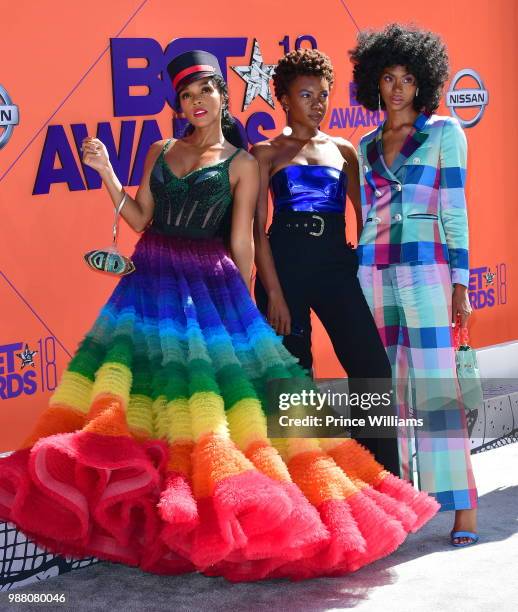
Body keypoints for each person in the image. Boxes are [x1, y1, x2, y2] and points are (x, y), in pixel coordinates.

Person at [0, 50, 438, 583]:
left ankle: (293, 503)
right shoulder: (164, 149)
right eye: (186, 96)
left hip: (219, 284)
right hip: (152, 281)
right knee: (151, 405)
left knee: (219, 411)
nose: (196, 103)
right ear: (180, 104)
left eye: (205, 91)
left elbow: (243, 242)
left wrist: (244, 307)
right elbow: (140, 218)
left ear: (221, 96)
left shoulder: (248, 161)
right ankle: (163, 525)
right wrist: (106, 173)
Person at [350, 24, 478, 547]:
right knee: (389, 393)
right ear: (374, 85)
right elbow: (364, 217)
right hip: (373, 273)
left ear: (422, 81)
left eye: (407, 78)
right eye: (387, 78)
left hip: (426, 273)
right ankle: (404, 502)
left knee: (436, 391)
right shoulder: (363, 145)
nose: (398, 88)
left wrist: (462, 283)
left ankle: (463, 509)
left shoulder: (445, 133)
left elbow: (455, 211)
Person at [252, 49, 399, 475]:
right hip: (285, 263)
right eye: (306, 94)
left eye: (323, 95)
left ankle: (379, 480)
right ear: (283, 99)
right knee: (295, 381)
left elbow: (367, 216)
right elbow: (258, 230)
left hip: (336, 262)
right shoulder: (266, 152)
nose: (318, 103)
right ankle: (302, 494)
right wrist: (274, 293)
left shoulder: (345, 150)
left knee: (372, 368)